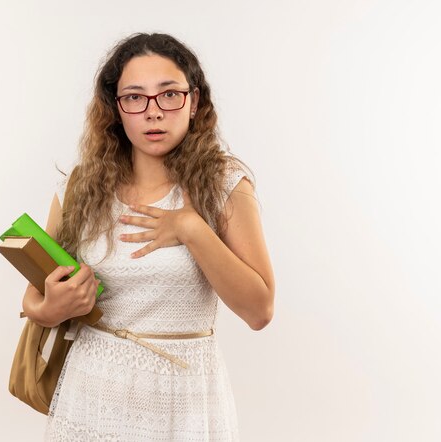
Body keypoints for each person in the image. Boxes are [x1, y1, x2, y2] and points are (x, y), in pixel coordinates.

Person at [21, 32, 275, 441]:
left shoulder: (224, 185)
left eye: (169, 94)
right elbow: (33, 298)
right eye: (135, 97)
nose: (153, 112)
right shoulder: (82, 187)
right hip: (91, 395)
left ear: (194, 102)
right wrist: (52, 308)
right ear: (116, 111)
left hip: (184, 400)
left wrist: (191, 228)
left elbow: (259, 310)